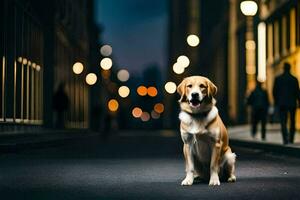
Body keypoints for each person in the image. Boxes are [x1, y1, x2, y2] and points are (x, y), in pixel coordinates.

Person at [273, 63, 300, 144]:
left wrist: (277, 102)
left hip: (282, 103)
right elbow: (297, 92)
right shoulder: (294, 79)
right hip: (292, 103)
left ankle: (285, 138)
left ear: (283, 68)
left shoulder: (278, 79)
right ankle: (291, 138)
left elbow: (274, 91)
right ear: (290, 68)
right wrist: (299, 101)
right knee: (292, 121)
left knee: (283, 121)